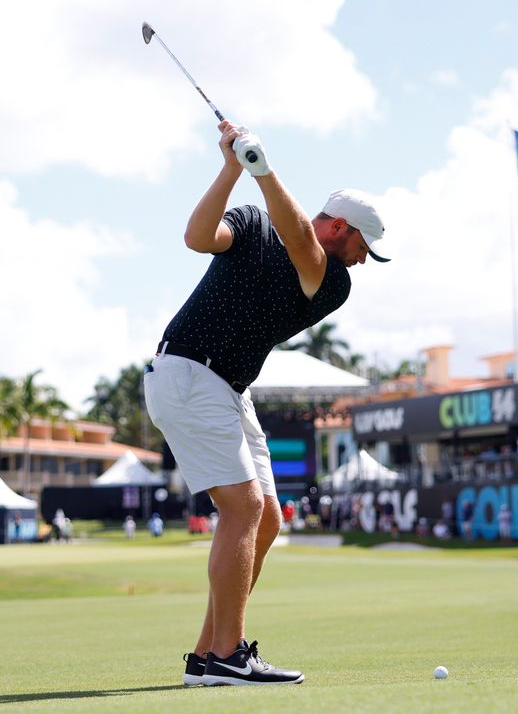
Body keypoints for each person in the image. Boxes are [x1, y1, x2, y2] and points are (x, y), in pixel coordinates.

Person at [144, 120, 388, 687]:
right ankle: (229, 655)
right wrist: (234, 168)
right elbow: (197, 238)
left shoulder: (331, 282)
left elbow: (302, 241)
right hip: (188, 372)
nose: (361, 260)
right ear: (342, 227)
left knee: (269, 518)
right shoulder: (253, 223)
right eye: (361, 246)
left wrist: (262, 169)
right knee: (244, 507)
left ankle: (209, 654)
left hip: (228, 388)